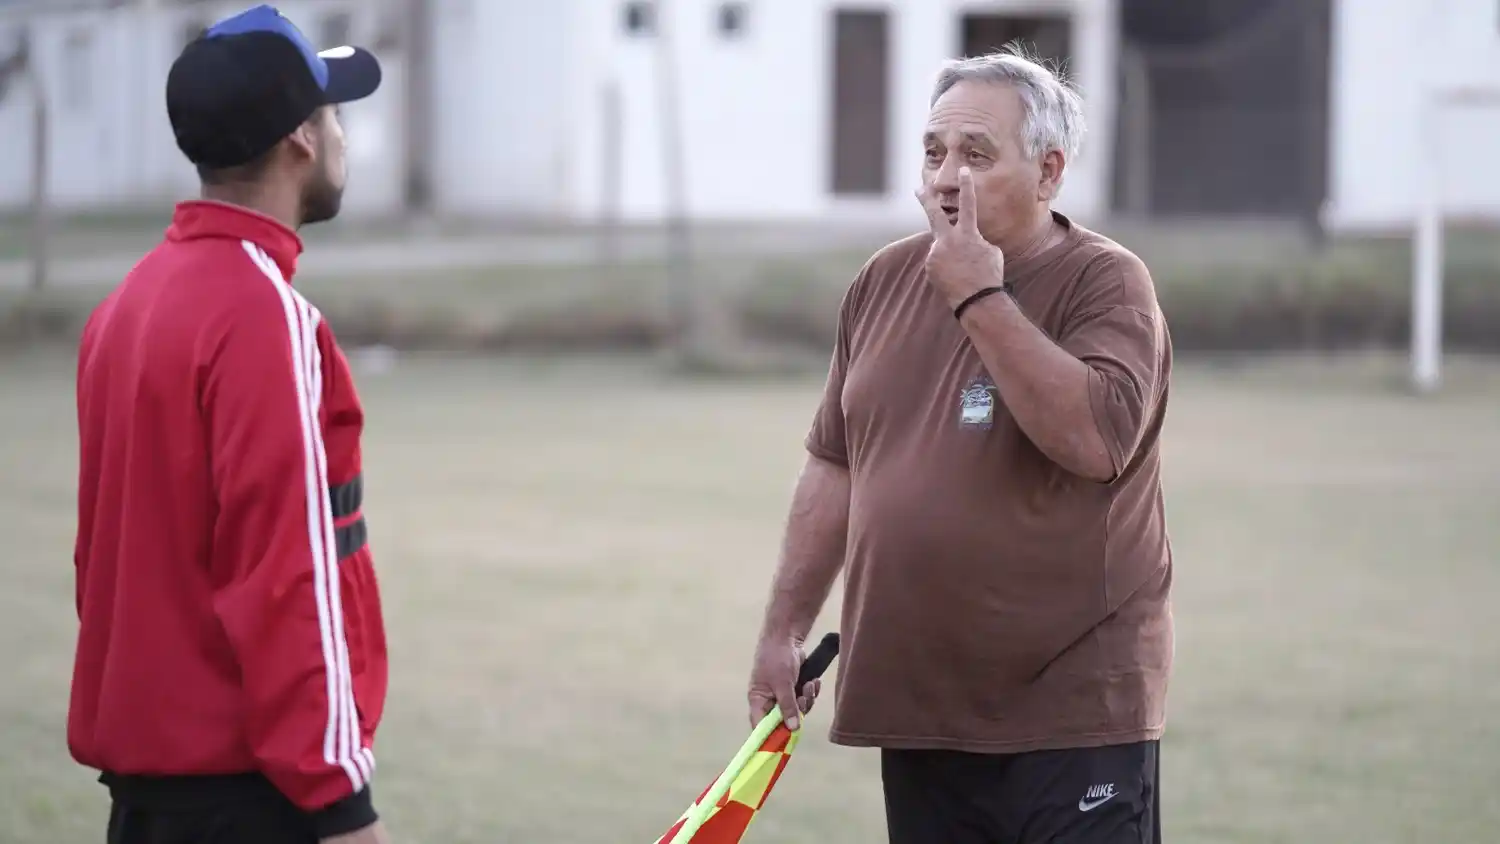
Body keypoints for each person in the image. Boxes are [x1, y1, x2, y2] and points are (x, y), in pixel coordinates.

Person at [747, 44, 1174, 844]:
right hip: (922, 709)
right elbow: (835, 462)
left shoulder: (1106, 283)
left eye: (977, 155)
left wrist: (979, 290)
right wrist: (783, 629)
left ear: (1049, 172)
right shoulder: (881, 280)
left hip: (1072, 716)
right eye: (934, 152)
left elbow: (1093, 440)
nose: (946, 177)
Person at [69, 5, 392, 843]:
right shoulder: (263, 316)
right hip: (250, 801)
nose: (342, 133)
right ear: (302, 141)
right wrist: (344, 809)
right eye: (332, 111)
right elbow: (287, 576)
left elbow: (97, 570)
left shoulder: (125, 305)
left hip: (145, 804)